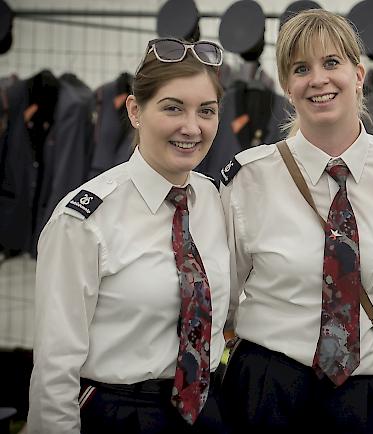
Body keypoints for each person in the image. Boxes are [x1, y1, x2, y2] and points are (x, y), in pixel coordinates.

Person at [219, 9, 373, 434]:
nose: (318, 79)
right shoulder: (248, 179)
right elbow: (223, 294)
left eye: (331, 63)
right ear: (286, 85)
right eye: (301, 68)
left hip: (366, 397)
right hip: (268, 390)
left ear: (358, 73)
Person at [28, 38, 231, 434]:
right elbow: (56, 366)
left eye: (206, 111)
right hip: (121, 414)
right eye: (173, 108)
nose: (192, 127)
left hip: (205, 410)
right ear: (135, 111)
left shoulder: (215, 200)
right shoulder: (85, 220)